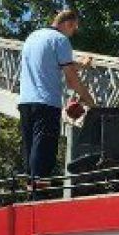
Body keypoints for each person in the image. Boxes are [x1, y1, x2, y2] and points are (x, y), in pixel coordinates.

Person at [18, 10, 96, 190]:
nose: (73, 33)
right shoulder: (61, 40)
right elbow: (71, 80)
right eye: (74, 29)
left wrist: (80, 65)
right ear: (69, 24)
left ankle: (31, 194)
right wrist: (90, 101)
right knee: (44, 152)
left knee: (30, 150)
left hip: (25, 101)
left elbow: (49, 63)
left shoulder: (33, 37)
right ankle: (39, 198)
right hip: (46, 103)